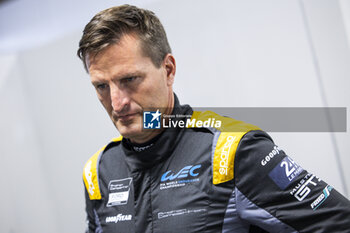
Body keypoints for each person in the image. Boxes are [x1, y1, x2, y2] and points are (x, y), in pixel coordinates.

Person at [77, 4, 350, 233]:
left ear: (168, 70)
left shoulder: (232, 150)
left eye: (129, 79)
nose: (117, 102)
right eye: (101, 86)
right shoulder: (98, 171)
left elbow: (340, 223)